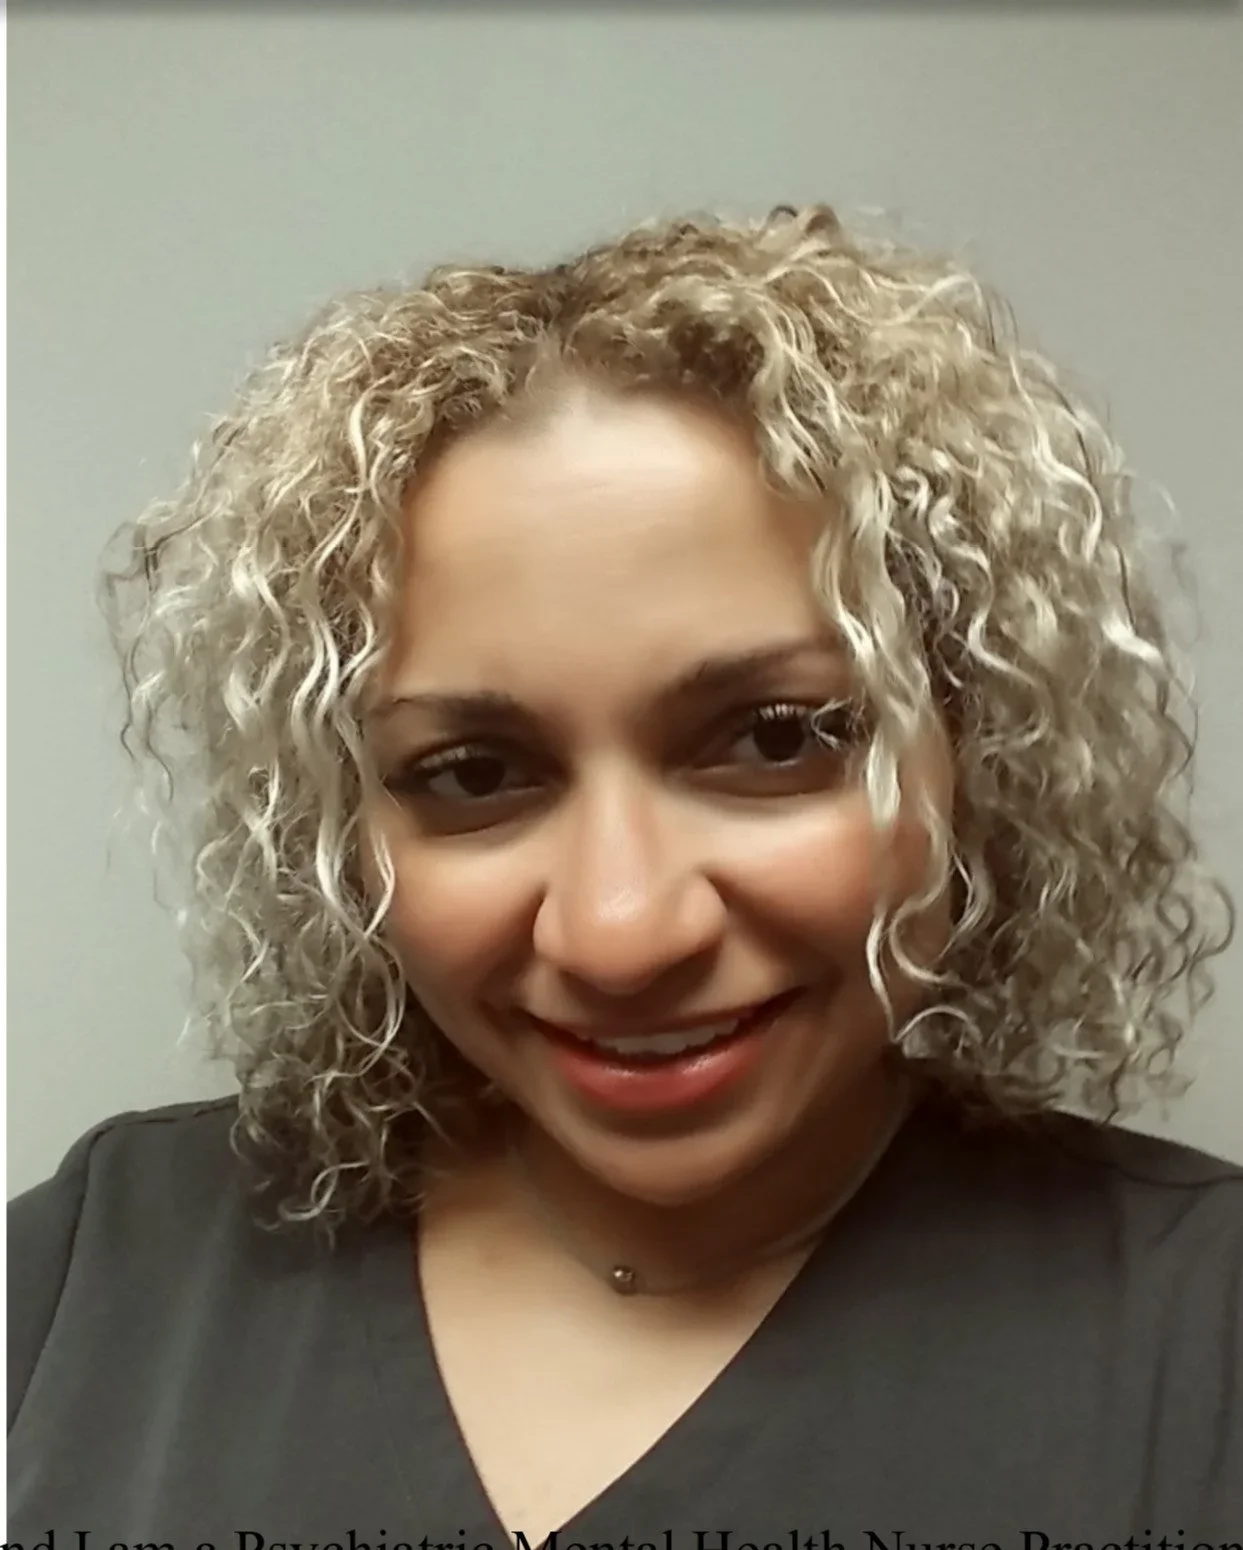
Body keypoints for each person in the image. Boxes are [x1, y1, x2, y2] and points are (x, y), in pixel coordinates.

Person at [7, 204, 1242, 1547]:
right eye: (473, 772)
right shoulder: (94, 1276)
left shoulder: (1198, 1341)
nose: (618, 930)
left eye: (776, 739)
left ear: (976, 751)